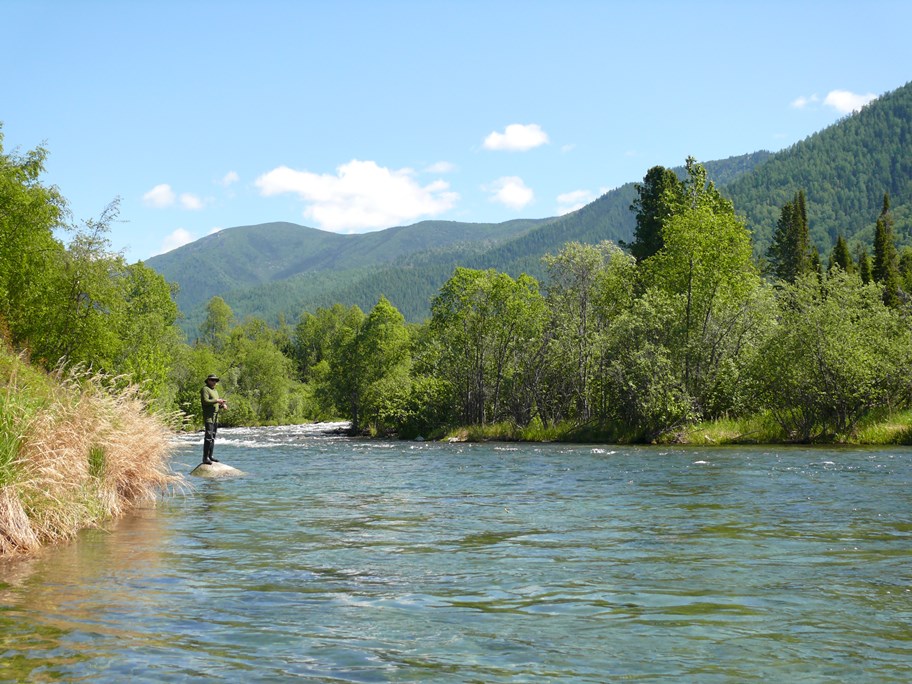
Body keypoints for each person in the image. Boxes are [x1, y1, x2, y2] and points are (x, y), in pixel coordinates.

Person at [201, 374, 228, 464]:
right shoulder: (205, 389)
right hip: (208, 417)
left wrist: (222, 405)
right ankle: (205, 458)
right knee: (208, 437)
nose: (214, 382)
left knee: (213, 437)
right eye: (212, 380)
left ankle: (210, 456)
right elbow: (205, 401)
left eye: (215, 381)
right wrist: (217, 400)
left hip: (215, 418)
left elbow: (215, 405)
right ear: (208, 380)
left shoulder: (215, 391)